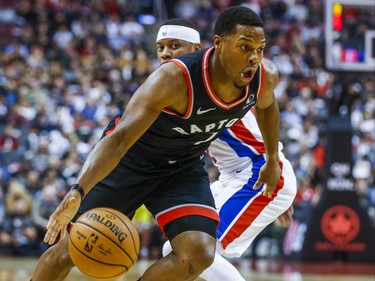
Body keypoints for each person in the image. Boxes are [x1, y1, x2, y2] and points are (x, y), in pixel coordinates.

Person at [31, 6, 281, 281]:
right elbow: (120, 139)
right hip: (131, 161)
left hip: (182, 167)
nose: (254, 57)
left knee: (198, 253)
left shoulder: (263, 77)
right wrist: (78, 190)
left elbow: (268, 107)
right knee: (71, 248)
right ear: (218, 44)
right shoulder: (174, 79)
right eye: (245, 47)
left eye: (260, 49)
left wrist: (271, 159)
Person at [157, 18, 297, 281]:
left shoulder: (217, 76)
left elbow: (268, 106)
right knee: (180, 246)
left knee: (197, 250)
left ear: (197, 48)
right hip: (234, 177)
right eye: (161, 47)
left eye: (175, 45)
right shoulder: (172, 85)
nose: (166, 53)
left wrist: (273, 165)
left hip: (257, 172)